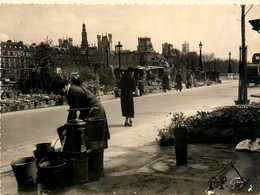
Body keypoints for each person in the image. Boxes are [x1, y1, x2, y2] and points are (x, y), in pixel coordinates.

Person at [51, 75, 110, 150]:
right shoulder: (71, 91)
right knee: (87, 137)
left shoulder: (73, 92)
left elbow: (72, 112)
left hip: (95, 112)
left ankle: (94, 157)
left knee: (94, 139)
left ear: (64, 86)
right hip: (88, 111)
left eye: (59, 91)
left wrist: (67, 129)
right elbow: (73, 111)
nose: (60, 94)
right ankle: (90, 156)